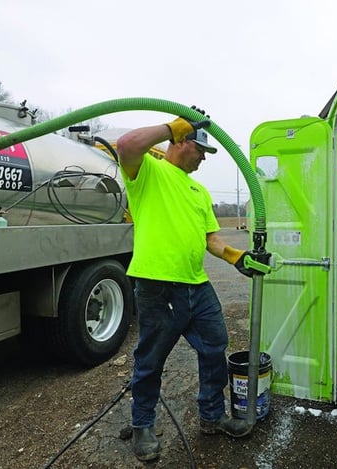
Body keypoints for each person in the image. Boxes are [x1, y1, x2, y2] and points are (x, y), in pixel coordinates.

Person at [116, 108, 258, 462]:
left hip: (198, 285)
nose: (203, 160)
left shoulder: (199, 191)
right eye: (200, 151)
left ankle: (212, 416)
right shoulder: (149, 171)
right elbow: (126, 144)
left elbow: (211, 239)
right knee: (151, 359)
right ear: (181, 142)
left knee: (215, 349)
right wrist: (169, 126)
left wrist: (235, 258)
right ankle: (143, 424)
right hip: (158, 285)